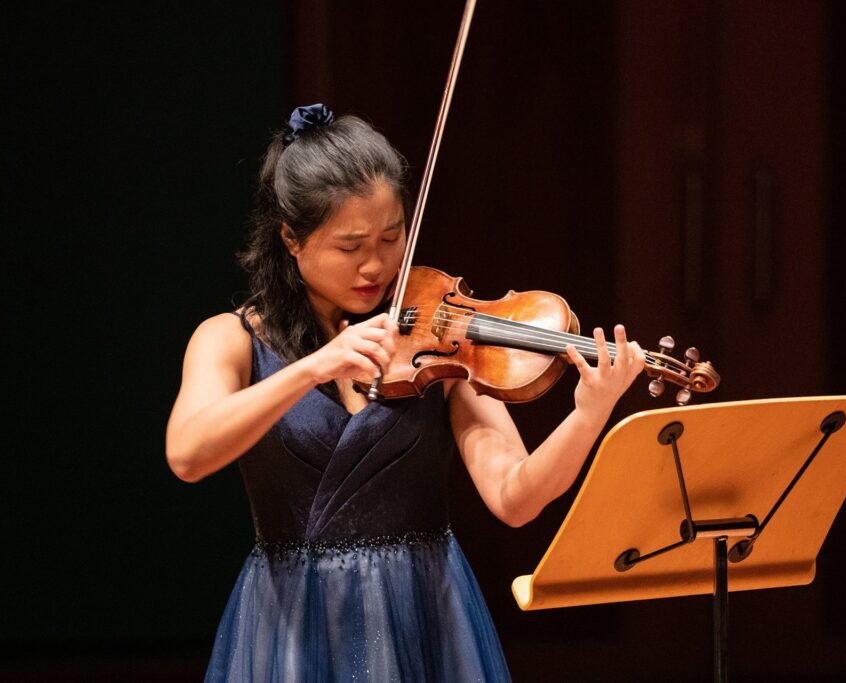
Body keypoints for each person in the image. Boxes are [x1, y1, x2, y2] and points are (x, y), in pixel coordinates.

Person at [166, 104, 645, 682]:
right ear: (291, 238)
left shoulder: (441, 338)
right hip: (292, 628)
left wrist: (588, 416)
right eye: (350, 246)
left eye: (392, 238)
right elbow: (188, 455)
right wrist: (311, 369)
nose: (376, 265)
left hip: (426, 619)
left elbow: (515, 498)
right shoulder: (230, 340)